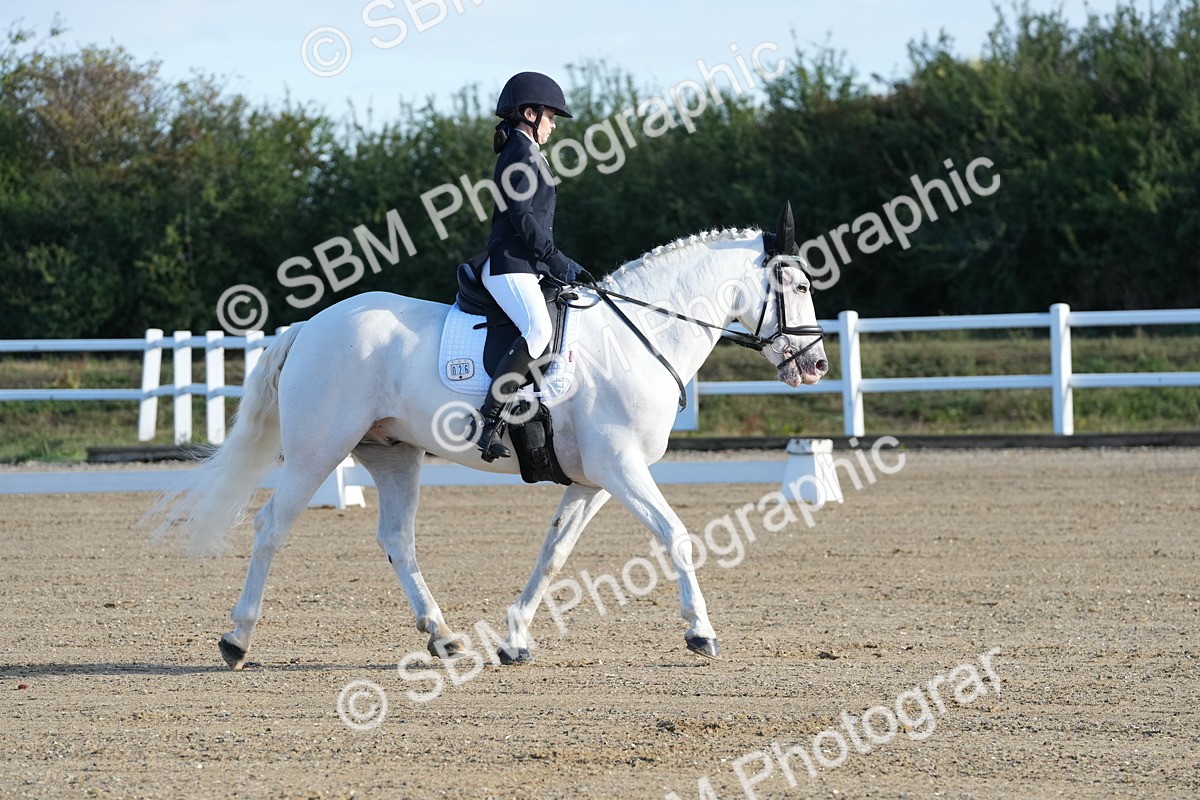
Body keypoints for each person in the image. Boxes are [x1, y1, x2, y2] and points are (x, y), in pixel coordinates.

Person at [473, 71, 584, 462]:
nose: (554, 125)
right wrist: (556, 258)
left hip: (525, 264)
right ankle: (488, 422)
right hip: (509, 263)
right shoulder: (520, 152)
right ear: (528, 114)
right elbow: (522, 218)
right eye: (550, 117)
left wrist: (553, 263)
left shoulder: (528, 151)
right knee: (539, 330)